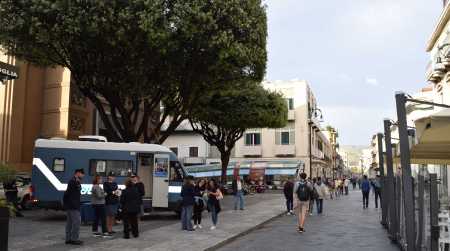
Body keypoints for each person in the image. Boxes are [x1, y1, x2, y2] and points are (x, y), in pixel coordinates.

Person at [63, 168, 85, 245]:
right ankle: (74, 239)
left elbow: (67, 193)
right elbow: (69, 193)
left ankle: (68, 239)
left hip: (70, 205)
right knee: (77, 222)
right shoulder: (73, 181)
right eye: (82, 174)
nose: (83, 175)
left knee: (69, 223)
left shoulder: (73, 181)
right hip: (73, 206)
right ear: (78, 173)